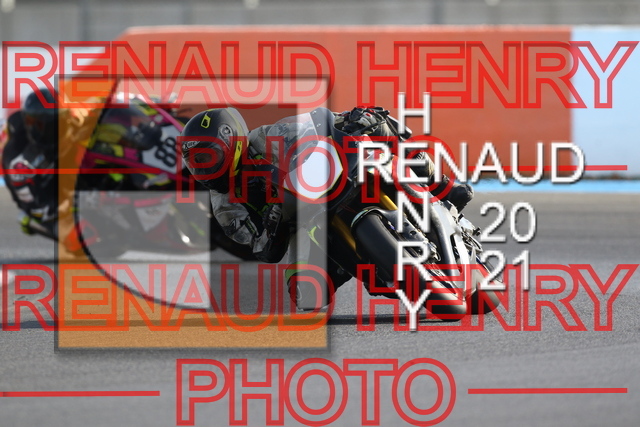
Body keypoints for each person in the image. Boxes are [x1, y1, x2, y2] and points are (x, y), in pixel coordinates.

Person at [180, 106, 474, 311]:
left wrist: (351, 119)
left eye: (207, 157)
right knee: (306, 294)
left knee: (378, 124)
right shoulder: (224, 205)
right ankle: (351, 263)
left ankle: (440, 185)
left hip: (328, 180)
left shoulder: (270, 136)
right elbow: (262, 250)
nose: (202, 169)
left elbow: (321, 125)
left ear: (231, 141)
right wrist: (271, 223)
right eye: (195, 163)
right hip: (298, 224)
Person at [1, 88, 167, 247]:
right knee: (81, 237)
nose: (54, 130)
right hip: (40, 190)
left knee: (101, 142)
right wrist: (78, 200)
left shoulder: (74, 114)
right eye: (46, 126)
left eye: (59, 122)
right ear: (29, 124)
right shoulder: (18, 161)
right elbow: (36, 205)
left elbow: (110, 102)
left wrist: (155, 104)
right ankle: (40, 223)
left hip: (66, 157)